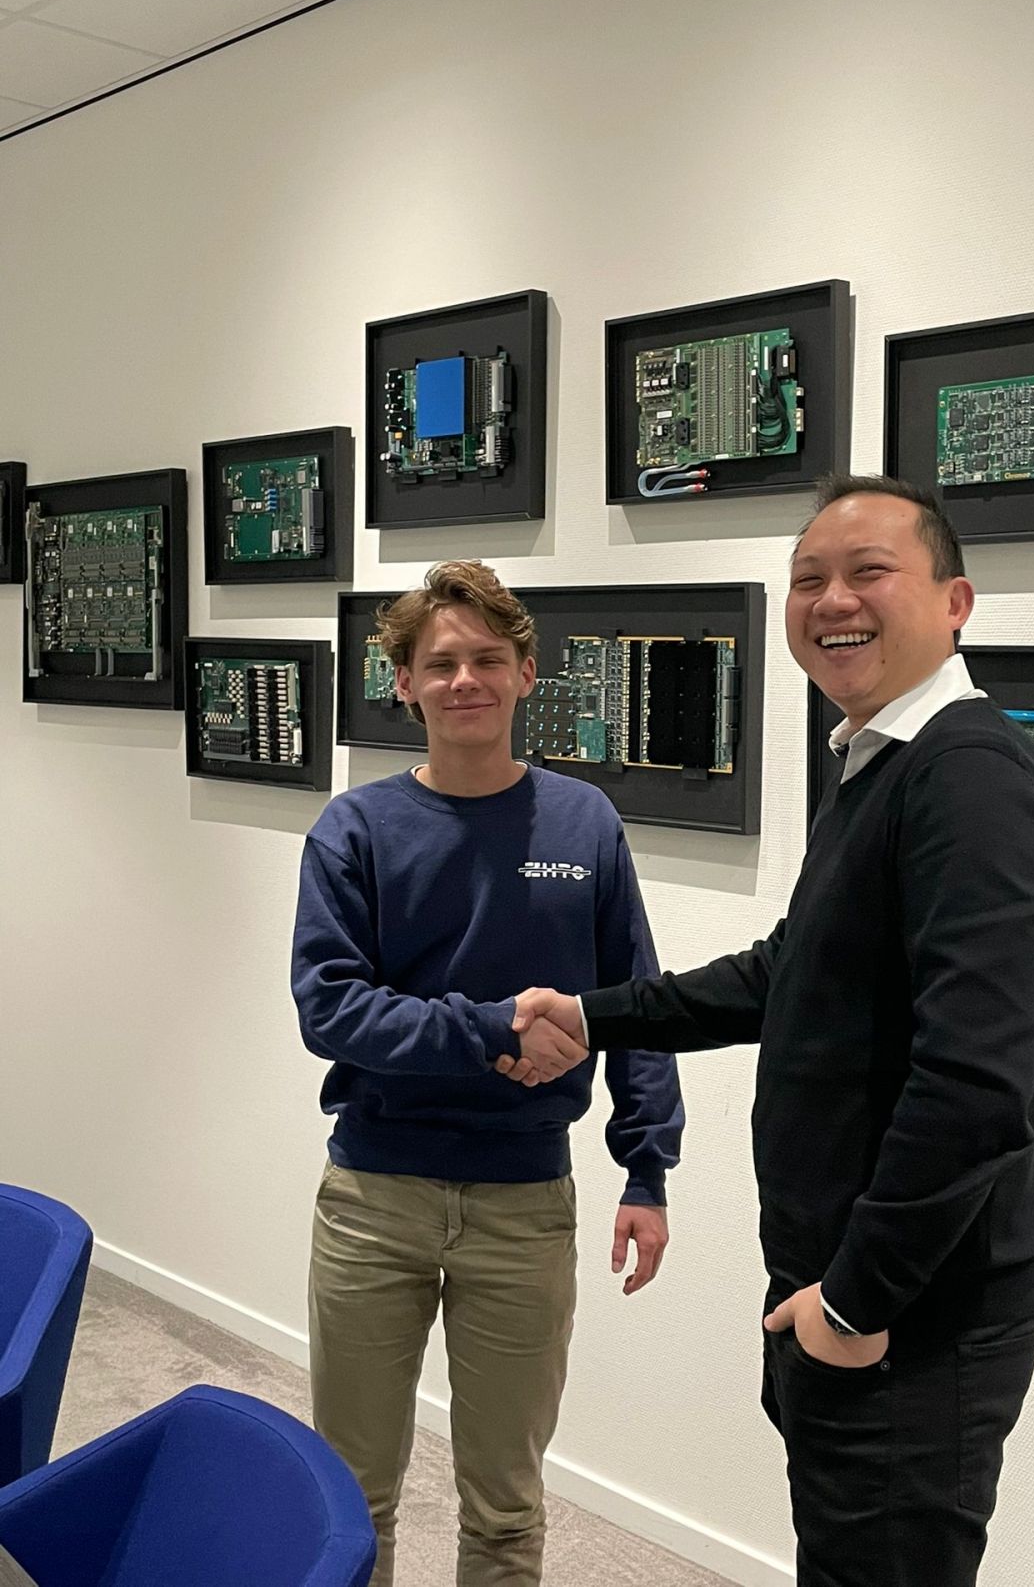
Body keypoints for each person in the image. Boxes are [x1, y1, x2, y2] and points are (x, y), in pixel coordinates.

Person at [502, 475, 1034, 1587]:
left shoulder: (967, 776)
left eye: (868, 572)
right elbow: (788, 972)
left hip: (908, 1319)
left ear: (954, 600)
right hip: (839, 1294)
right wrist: (594, 1011)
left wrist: (856, 1299)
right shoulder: (879, 760)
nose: (830, 599)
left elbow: (973, 1080)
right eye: (807, 577)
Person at [291, 561, 683, 1587]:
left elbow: (634, 1003)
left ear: (525, 674)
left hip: (523, 1203)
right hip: (375, 1196)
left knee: (506, 1507)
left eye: (486, 659)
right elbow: (328, 1008)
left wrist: (646, 1169)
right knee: (351, 1494)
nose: (465, 678)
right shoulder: (355, 829)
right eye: (441, 662)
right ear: (405, 684)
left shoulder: (583, 823)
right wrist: (490, 1026)